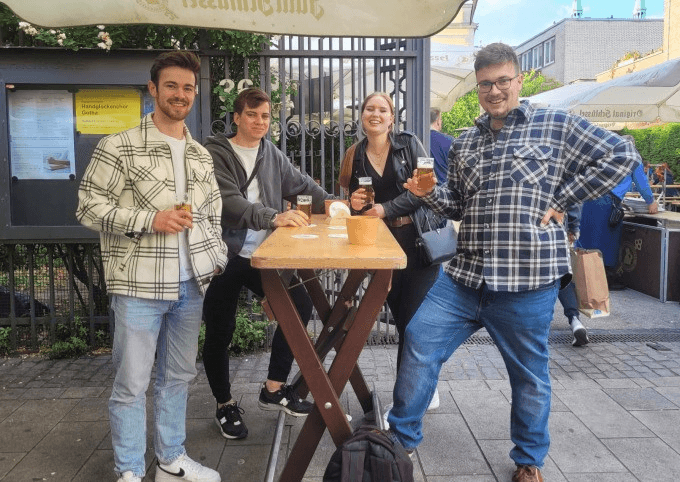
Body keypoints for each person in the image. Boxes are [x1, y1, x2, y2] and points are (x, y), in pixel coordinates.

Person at [387, 43, 639, 482]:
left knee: (529, 377)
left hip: (528, 283)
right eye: (486, 83)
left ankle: (529, 462)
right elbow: (459, 204)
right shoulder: (465, 142)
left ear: (519, 80)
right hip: (464, 279)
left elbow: (623, 155)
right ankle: (399, 445)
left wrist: (565, 198)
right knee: (418, 343)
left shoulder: (557, 124)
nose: (495, 90)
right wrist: (427, 192)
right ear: (478, 87)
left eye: (503, 80)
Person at [76, 51, 226, 482]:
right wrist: (149, 220)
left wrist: (214, 261)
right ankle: (128, 471)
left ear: (195, 94)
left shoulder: (199, 154)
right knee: (131, 383)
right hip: (139, 285)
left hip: (190, 286)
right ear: (153, 90)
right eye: (172, 86)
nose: (181, 94)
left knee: (177, 377)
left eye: (188, 88)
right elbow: (88, 207)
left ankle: (170, 460)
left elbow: (212, 214)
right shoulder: (118, 145)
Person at [201, 87, 334, 440]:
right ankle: (224, 404)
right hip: (224, 257)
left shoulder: (270, 152)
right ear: (236, 118)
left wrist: (333, 205)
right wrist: (273, 216)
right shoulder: (215, 153)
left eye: (265, 117)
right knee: (220, 330)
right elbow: (227, 202)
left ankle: (273, 388)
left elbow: (302, 184)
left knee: (299, 305)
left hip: (265, 256)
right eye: (252, 115)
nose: (260, 122)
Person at [338, 92, 441, 413]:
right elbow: (356, 202)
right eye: (370, 108)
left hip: (416, 243)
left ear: (392, 118)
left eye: (383, 110)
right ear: (362, 115)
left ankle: (407, 400)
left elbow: (424, 192)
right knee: (402, 320)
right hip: (381, 248)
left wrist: (384, 208)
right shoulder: (354, 155)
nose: (376, 114)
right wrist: (357, 205)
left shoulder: (410, 145)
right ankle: (424, 383)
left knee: (412, 322)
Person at [579, 135, 658, 290]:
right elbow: (641, 182)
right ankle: (606, 280)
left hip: (588, 197)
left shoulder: (606, 153)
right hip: (608, 201)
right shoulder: (633, 156)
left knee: (587, 237)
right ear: (633, 146)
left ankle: (584, 277)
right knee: (609, 238)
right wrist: (651, 201)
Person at [559, 204, 589, 347]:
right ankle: (574, 320)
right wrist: (573, 227)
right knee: (561, 276)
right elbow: (573, 198)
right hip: (556, 228)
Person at [429, 107, 454, 184]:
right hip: (444, 189)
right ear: (437, 121)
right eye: (441, 119)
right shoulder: (450, 141)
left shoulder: (417, 139)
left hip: (423, 189)